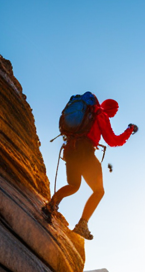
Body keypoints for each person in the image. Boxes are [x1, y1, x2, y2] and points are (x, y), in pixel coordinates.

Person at [42, 96, 138, 239]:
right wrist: (129, 130)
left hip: (70, 151)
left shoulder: (89, 112)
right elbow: (113, 141)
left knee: (73, 185)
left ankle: (50, 207)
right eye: (115, 111)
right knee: (99, 191)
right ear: (112, 110)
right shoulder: (101, 115)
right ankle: (82, 225)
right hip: (85, 153)